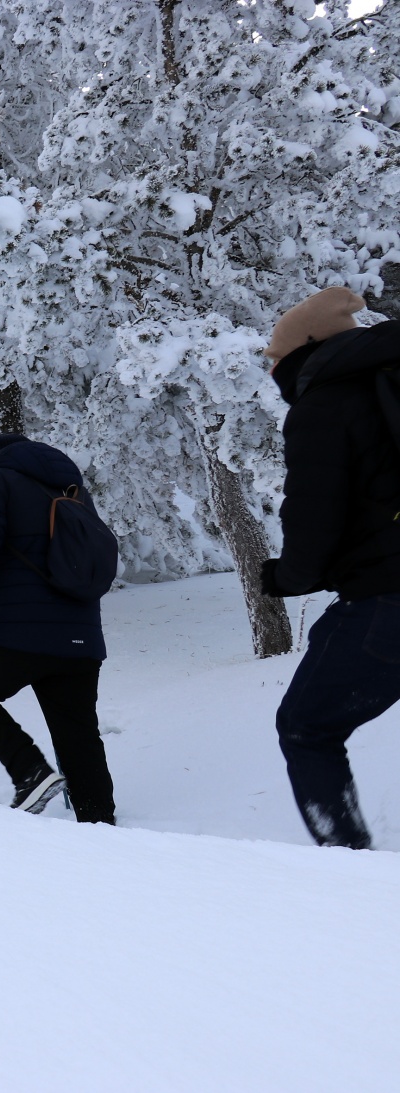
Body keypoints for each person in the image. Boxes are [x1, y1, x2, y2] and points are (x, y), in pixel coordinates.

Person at [259, 286, 400, 849]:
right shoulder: (388, 382)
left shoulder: (326, 404)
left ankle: (346, 863)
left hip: (386, 597)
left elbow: (315, 515)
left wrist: (287, 578)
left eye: (276, 357)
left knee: (306, 727)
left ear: (306, 350)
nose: (274, 368)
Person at [0, 434, 116, 823]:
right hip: (82, 637)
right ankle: (99, 823)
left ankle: (30, 772)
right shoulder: (75, 491)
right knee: (77, 731)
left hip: (20, 630)